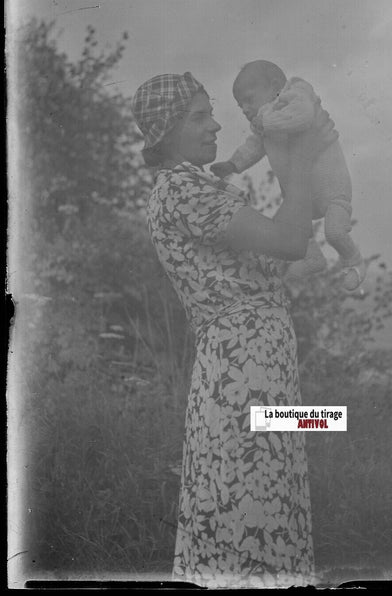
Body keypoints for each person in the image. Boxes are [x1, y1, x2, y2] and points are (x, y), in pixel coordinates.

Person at [131, 72, 338, 588]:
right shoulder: (181, 189)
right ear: (166, 131)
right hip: (243, 373)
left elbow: (280, 262)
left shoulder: (195, 188)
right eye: (200, 117)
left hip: (252, 371)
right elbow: (289, 241)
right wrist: (302, 159)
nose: (217, 125)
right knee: (252, 507)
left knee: (260, 500)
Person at [210, 60, 367, 290]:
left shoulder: (296, 92)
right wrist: (233, 164)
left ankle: (354, 262)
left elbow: (303, 115)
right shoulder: (262, 125)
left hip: (331, 186)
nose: (244, 109)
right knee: (294, 228)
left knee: (334, 232)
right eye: (240, 105)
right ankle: (313, 257)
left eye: (249, 100)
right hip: (300, 190)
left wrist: (266, 121)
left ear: (274, 86)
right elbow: (253, 146)